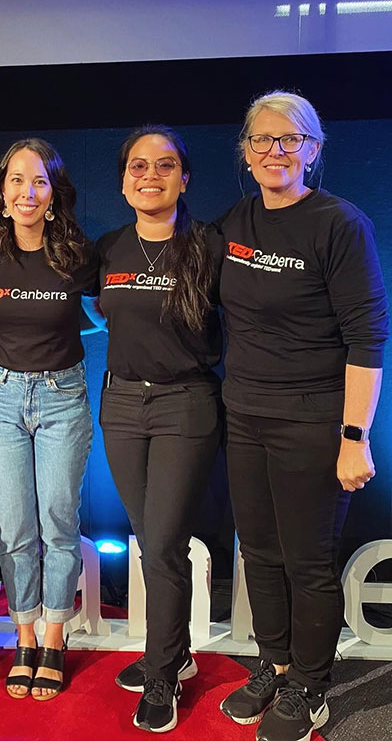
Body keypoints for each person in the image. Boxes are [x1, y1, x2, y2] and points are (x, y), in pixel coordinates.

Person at [217, 91, 388, 741]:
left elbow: (368, 335)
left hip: (315, 423)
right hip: (246, 416)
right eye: (262, 140)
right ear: (247, 151)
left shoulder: (339, 224)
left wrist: (354, 436)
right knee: (259, 553)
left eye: (290, 139)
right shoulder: (236, 223)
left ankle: (311, 688)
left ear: (313, 150)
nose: (275, 151)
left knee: (306, 562)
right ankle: (276, 663)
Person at [96, 126, 223, 732]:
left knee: (165, 542)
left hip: (185, 405)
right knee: (151, 540)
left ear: (184, 178)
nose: (151, 175)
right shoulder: (108, 248)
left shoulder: (209, 247)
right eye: (138, 166)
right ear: (122, 181)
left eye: (165, 165)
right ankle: (176, 654)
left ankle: (163, 671)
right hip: (121, 405)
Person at [0, 138, 95, 701]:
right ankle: (23, 636)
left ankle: (55, 637)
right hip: (1, 400)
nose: (28, 192)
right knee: (16, 529)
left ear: (54, 194)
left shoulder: (78, 255)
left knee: (57, 523)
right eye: (16, 180)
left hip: (61, 399)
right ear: (1, 190)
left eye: (40, 182)